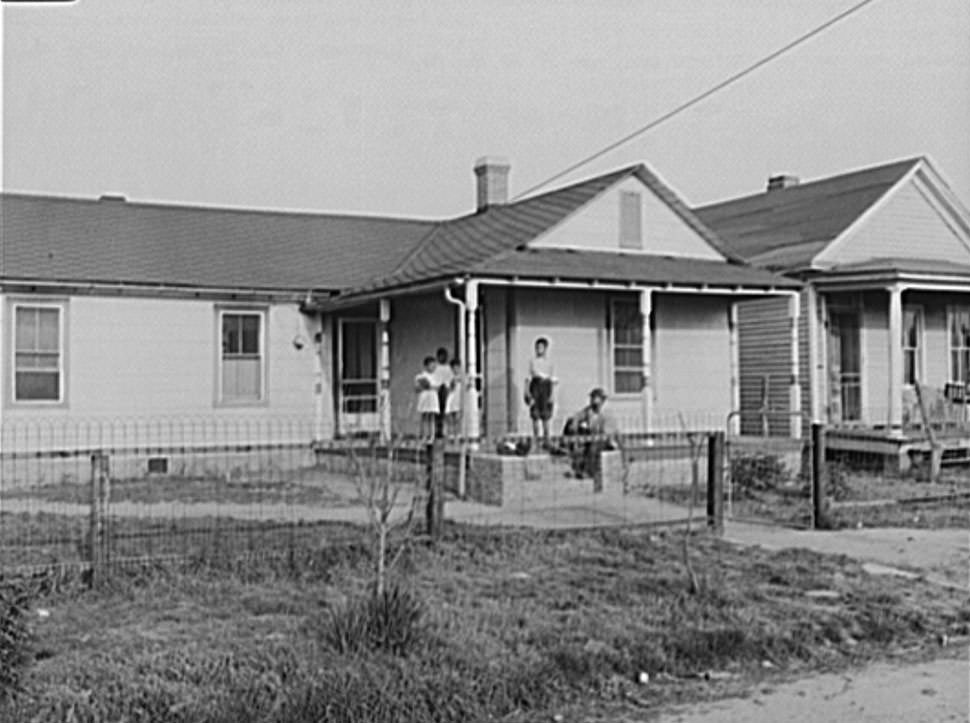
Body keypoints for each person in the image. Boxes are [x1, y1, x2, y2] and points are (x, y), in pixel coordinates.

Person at [564, 388, 617, 479]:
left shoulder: (604, 414)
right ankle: (581, 470)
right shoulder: (587, 412)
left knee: (594, 448)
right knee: (584, 448)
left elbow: (607, 431)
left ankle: (589, 472)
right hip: (588, 439)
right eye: (592, 398)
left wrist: (607, 438)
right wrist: (574, 424)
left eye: (596, 398)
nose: (593, 400)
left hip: (601, 440)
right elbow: (576, 418)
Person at [524, 336, 556, 449]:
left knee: (546, 416)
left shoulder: (549, 363)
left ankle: (547, 440)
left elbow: (552, 379)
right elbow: (528, 378)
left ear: (545, 349)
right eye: (537, 347)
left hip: (546, 387)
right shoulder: (533, 362)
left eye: (541, 347)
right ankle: (536, 440)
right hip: (535, 386)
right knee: (535, 415)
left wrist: (552, 395)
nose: (539, 349)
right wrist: (527, 392)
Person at [431, 346, 454, 437]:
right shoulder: (435, 368)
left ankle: (444, 431)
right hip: (437, 392)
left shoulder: (448, 368)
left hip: (445, 392)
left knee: (444, 412)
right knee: (437, 413)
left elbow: (451, 380)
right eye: (441, 356)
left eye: (444, 356)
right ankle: (437, 430)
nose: (443, 358)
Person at [415, 356, 439, 441]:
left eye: (434, 365)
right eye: (431, 365)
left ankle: (432, 436)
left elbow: (437, 387)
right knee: (424, 417)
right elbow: (417, 389)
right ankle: (424, 435)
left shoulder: (436, 376)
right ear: (426, 366)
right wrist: (423, 386)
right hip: (424, 398)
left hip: (432, 398)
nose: (433, 367)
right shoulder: (420, 376)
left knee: (432, 417)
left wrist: (429, 386)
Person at [444, 358, 463, 440]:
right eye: (454, 368)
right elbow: (447, 388)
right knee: (450, 419)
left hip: (459, 401)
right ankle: (451, 434)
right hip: (450, 401)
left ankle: (458, 434)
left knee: (458, 418)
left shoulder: (462, 377)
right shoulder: (449, 378)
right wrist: (452, 383)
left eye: (457, 368)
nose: (456, 370)